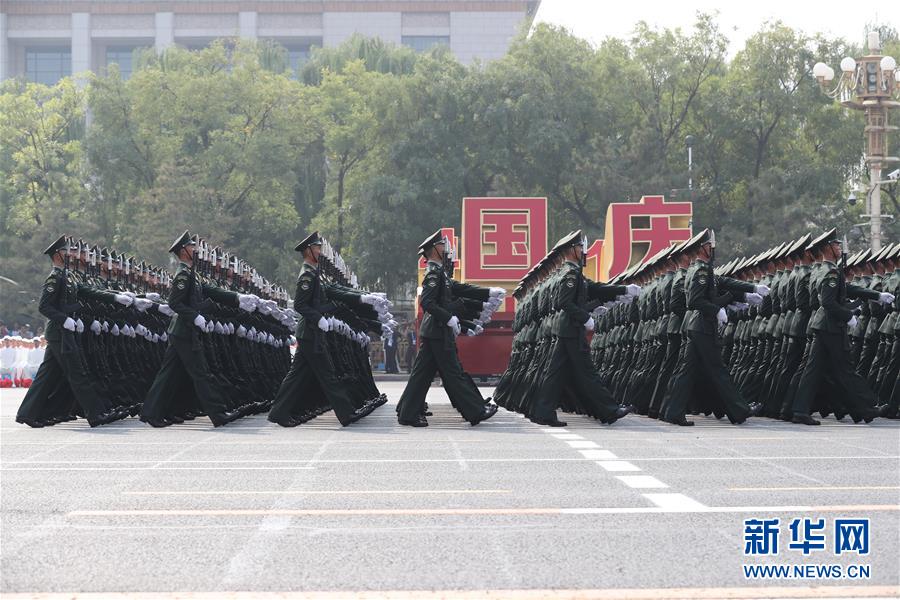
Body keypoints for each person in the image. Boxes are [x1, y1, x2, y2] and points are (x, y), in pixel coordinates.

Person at [396, 230, 501, 427]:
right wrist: (449, 318)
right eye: (442, 245)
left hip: (436, 331)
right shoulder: (433, 274)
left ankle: (407, 412)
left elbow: (459, 289)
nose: (445, 249)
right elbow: (426, 302)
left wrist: (487, 293)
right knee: (453, 373)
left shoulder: (439, 273)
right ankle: (475, 411)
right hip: (437, 330)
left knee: (423, 375)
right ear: (434, 250)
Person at [140, 231, 239, 427]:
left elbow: (210, 291)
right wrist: (195, 317)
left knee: (168, 374)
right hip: (184, 331)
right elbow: (174, 302)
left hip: (182, 331)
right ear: (183, 251)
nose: (195, 250)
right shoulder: (182, 274)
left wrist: (237, 298)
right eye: (192, 247)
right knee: (201, 373)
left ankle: (150, 413)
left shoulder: (191, 273)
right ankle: (218, 414)